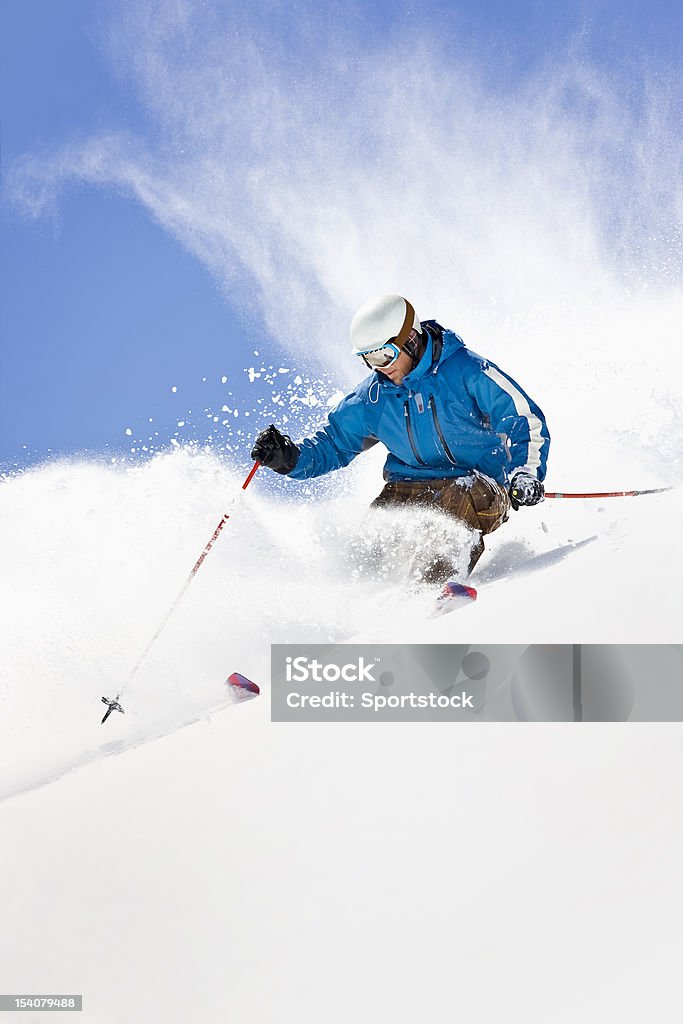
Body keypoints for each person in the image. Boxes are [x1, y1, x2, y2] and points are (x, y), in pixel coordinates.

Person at [251, 294, 550, 581]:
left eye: (384, 354)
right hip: (407, 488)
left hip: (477, 485)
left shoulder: (465, 371)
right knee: (372, 544)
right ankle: (359, 615)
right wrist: (289, 458)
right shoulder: (374, 397)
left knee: (451, 513)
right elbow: (333, 443)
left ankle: (425, 600)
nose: (380, 367)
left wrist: (525, 473)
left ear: (410, 338)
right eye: (369, 359)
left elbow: (523, 417)